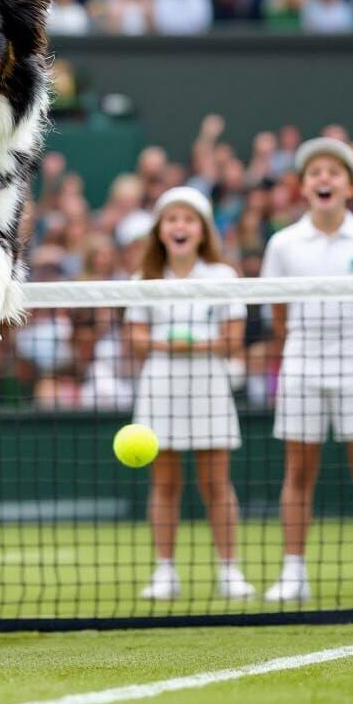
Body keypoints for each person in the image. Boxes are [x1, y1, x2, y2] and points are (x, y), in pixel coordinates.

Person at [261, 138, 353, 604]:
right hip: (302, 364)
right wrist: (296, 351)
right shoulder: (282, 244)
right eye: (315, 173)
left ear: (349, 185)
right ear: (304, 187)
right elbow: (278, 314)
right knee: (298, 472)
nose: (324, 179)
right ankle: (293, 573)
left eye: (334, 172)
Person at [125, 187, 255, 601]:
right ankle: (165, 572)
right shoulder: (143, 279)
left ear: (202, 230)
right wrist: (174, 346)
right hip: (160, 385)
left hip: (210, 385)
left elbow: (233, 338)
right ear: (161, 231)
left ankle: (230, 571)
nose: (180, 226)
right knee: (164, 485)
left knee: (217, 483)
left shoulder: (223, 277)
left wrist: (192, 347)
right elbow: (137, 338)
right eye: (172, 219)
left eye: (189, 219)